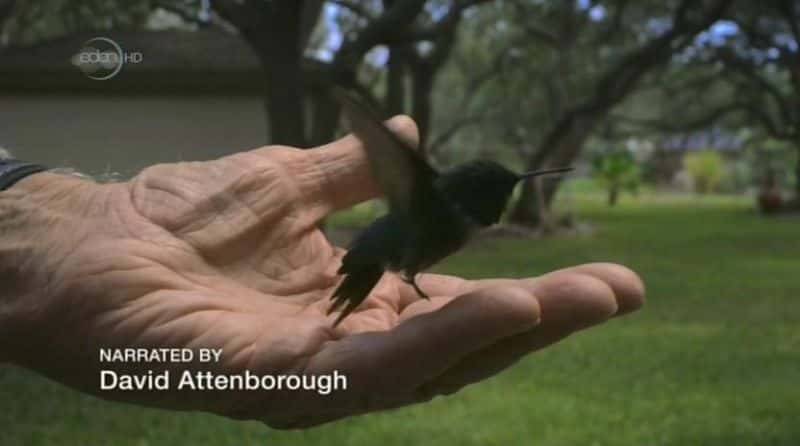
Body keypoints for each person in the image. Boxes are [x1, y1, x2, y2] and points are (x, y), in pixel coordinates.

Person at [0, 116, 644, 429]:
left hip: (387, 256)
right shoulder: (441, 204)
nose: (513, 192)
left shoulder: (454, 214)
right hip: (383, 253)